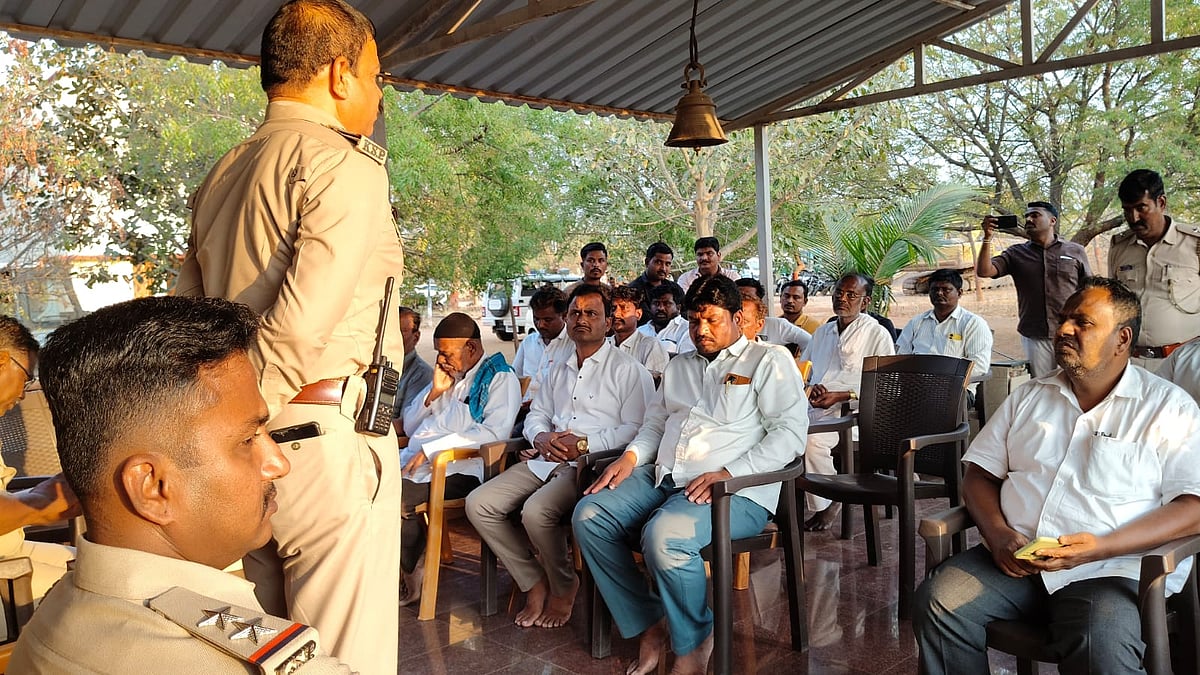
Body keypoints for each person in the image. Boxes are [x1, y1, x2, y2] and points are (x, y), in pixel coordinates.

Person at [173, 2, 402, 671]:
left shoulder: (222, 172)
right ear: (339, 73)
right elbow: (302, 325)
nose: (379, 93)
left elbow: (187, 322)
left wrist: (226, 434)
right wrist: (243, 421)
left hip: (248, 449)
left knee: (274, 652)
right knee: (343, 660)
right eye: (376, 76)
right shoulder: (344, 164)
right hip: (323, 440)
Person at [11, 295, 355, 673]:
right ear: (153, 487)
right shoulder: (231, 664)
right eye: (247, 440)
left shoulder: (49, 620)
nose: (278, 464)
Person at [913, 277, 1200, 674]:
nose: (1063, 329)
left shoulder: (1167, 408)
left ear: (1122, 339)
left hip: (1110, 570)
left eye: (1082, 322)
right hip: (1016, 561)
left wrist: (1102, 547)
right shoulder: (1029, 396)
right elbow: (979, 475)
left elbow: (1193, 507)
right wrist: (998, 533)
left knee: (1100, 640)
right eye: (1063, 318)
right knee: (939, 601)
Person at [572, 276, 808, 675]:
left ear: (737, 318)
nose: (701, 330)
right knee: (589, 516)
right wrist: (630, 457)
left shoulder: (768, 361)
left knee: (665, 536)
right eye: (695, 320)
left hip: (736, 491)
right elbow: (655, 423)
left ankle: (695, 639)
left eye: (712, 320)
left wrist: (730, 473)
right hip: (665, 477)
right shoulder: (679, 365)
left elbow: (790, 434)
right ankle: (650, 623)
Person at [466, 286, 653, 629]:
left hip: (589, 466)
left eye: (591, 313)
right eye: (576, 313)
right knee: (479, 504)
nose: (582, 319)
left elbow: (638, 429)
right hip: (546, 458)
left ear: (609, 322)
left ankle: (564, 586)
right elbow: (537, 413)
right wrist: (540, 436)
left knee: (536, 512)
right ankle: (533, 581)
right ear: (566, 319)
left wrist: (585, 445)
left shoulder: (629, 370)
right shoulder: (559, 367)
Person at [397, 313, 521, 607]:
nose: (440, 360)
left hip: (462, 469)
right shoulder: (448, 376)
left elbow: (493, 434)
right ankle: (389, 566)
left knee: (397, 498)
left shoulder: (499, 378)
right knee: (364, 485)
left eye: (447, 353)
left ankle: (411, 573)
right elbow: (411, 426)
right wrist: (433, 393)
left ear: (472, 348)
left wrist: (432, 450)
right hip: (418, 464)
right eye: (438, 352)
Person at [800, 273, 895, 532]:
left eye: (851, 295)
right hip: (814, 407)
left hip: (853, 414)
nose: (842, 298)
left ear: (865, 302)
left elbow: (886, 386)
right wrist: (811, 388)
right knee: (775, 432)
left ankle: (830, 501)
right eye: (839, 293)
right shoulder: (823, 332)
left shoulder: (877, 334)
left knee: (811, 441)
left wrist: (842, 396)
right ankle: (778, 507)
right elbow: (804, 371)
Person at [0, 317, 79, 613]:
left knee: (94, 565)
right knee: (101, 589)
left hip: (11, 550)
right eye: (26, 379)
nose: (23, 394)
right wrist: (41, 503)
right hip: (6, 570)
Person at [976, 201, 1090, 377]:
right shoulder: (1015, 254)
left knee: (1075, 382)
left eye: (1035, 215)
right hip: (1036, 335)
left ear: (1052, 221)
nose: (1029, 219)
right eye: (1027, 216)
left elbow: (1089, 289)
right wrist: (987, 238)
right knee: (1042, 384)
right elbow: (985, 271)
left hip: (1072, 332)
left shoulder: (1075, 250)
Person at [1109, 169, 1200, 372]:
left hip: (1185, 364)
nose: (1133, 218)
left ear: (1161, 202)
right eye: (1127, 210)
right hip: (1131, 363)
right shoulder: (1119, 247)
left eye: (1141, 208)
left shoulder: (1195, 244)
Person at [896, 269, 993, 404]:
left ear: (959, 293)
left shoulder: (973, 324)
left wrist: (940, 381)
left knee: (928, 402)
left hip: (957, 390)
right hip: (917, 388)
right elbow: (900, 358)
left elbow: (979, 366)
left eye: (946, 289)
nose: (939, 293)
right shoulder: (917, 322)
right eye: (935, 289)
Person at [512, 285, 573, 405]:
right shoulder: (528, 342)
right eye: (536, 319)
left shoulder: (573, 345)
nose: (540, 325)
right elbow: (514, 378)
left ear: (564, 316)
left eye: (547, 320)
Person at [735, 278, 812, 352]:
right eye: (738, 297)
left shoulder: (778, 326)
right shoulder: (727, 325)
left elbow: (810, 343)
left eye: (749, 298)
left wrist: (798, 361)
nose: (742, 302)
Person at [609, 285, 669, 376]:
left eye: (624, 308)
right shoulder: (604, 344)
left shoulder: (650, 346)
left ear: (638, 314)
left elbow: (652, 382)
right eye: (613, 308)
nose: (616, 314)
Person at [627, 242, 684, 326]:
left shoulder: (674, 288)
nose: (663, 268)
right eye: (658, 262)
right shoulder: (633, 290)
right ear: (647, 262)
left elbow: (686, 313)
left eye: (667, 264)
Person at [395, 306, 433, 412]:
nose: (393, 337)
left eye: (401, 331)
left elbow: (406, 420)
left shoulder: (422, 374)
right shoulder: (371, 364)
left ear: (416, 337)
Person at [638, 284, 694, 355]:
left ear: (678, 308)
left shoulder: (687, 330)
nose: (660, 308)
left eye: (667, 304)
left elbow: (686, 359)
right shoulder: (640, 331)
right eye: (656, 303)